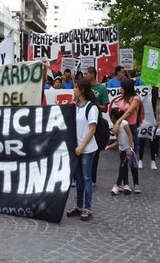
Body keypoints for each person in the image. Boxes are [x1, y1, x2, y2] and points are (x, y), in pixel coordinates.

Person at [66, 79, 98, 221]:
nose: (74, 89)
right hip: (77, 148)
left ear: (82, 90)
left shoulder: (92, 108)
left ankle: (88, 208)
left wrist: (82, 146)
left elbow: (92, 129)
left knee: (86, 178)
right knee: (78, 178)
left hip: (87, 149)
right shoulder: (76, 106)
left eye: (76, 88)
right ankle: (79, 206)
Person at [112, 78, 140, 189]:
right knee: (123, 158)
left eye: (122, 87)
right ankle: (125, 184)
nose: (120, 89)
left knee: (132, 158)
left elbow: (129, 112)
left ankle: (136, 183)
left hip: (131, 129)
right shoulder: (121, 99)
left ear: (126, 88)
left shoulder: (136, 99)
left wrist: (119, 121)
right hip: (121, 129)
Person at [84, 66, 110, 186]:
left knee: (95, 151)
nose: (84, 76)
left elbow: (105, 108)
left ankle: (92, 178)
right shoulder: (84, 87)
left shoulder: (102, 88)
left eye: (86, 73)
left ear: (93, 74)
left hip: (97, 121)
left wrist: (94, 105)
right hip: (84, 121)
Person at [106, 108, 140, 195]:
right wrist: (109, 147)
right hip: (121, 150)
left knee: (130, 166)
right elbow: (118, 141)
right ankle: (126, 185)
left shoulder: (124, 123)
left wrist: (129, 147)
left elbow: (130, 134)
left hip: (128, 149)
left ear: (113, 117)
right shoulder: (116, 127)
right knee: (123, 167)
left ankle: (118, 185)